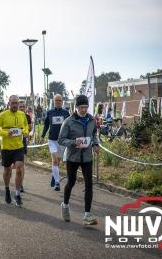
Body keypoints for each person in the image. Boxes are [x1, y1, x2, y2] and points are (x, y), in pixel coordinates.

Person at [59, 95, 100, 225]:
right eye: (81, 107)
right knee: (71, 182)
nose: (84, 110)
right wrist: (74, 142)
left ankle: (87, 215)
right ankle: (65, 205)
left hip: (87, 157)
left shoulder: (91, 120)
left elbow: (93, 134)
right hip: (72, 157)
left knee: (89, 184)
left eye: (86, 107)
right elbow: (61, 140)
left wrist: (95, 144)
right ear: (76, 107)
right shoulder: (68, 121)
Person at [0, 95, 29, 207]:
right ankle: (7, 189)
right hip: (7, 148)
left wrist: (25, 132)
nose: (14, 105)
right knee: (7, 171)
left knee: (19, 169)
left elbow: (25, 126)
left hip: (19, 147)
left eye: (16, 103)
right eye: (12, 103)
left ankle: (17, 194)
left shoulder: (22, 114)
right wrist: (5, 133)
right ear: (8, 103)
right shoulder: (3, 115)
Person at [40, 94, 70, 191]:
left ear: (62, 102)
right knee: (55, 160)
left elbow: (69, 126)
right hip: (52, 140)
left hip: (62, 141)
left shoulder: (66, 113)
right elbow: (46, 125)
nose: (58, 102)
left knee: (58, 162)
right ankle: (57, 183)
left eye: (59, 100)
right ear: (53, 101)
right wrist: (42, 136)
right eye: (56, 100)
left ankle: (54, 176)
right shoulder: (50, 112)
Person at [17, 100, 32, 193]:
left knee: (22, 164)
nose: (22, 108)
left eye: (23, 106)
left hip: (22, 142)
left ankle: (21, 184)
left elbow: (30, 127)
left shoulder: (27, 116)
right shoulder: (13, 116)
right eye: (20, 106)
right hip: (12, 143)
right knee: (13, 165)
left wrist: (26, 131)